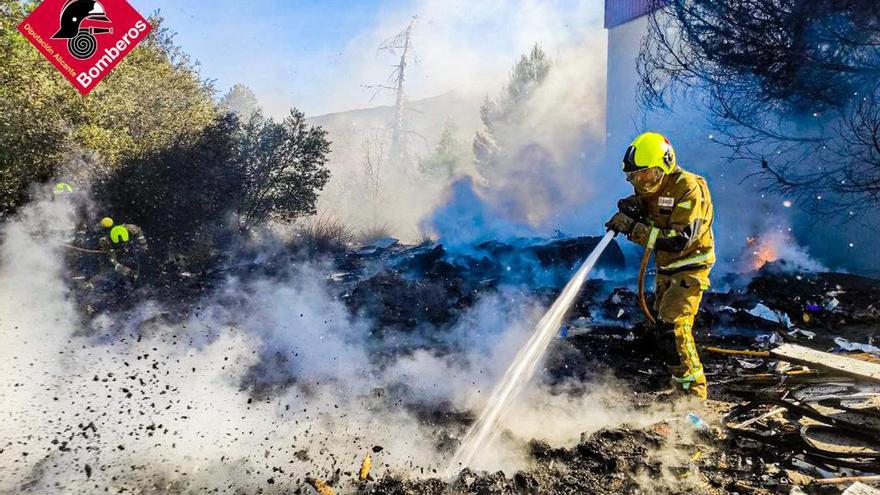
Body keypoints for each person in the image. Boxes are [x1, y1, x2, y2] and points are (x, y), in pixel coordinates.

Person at [605, 132, 715, 400]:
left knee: (674, 327)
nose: (642, 183)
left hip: (690, 266)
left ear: (665, 165)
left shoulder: (688, 188)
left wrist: (633, 228)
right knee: (660, 327)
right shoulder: (650, 187)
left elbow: (679, 240)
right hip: (666, 267)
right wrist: (634, 209)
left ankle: (693, 392)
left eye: (647, 175)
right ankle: (679, 385)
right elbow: (653, 212)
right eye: (635, 178)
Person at [97, 217, 148, 282]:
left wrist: (143, 244)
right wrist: (128, 272)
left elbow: (138, 232)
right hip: (113, 249)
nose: (123, 244)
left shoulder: (131, 228)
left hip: (126, 247)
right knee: (107, 268)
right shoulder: (105, 242)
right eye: (120, 243)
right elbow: (113, 261)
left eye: (124, 242)